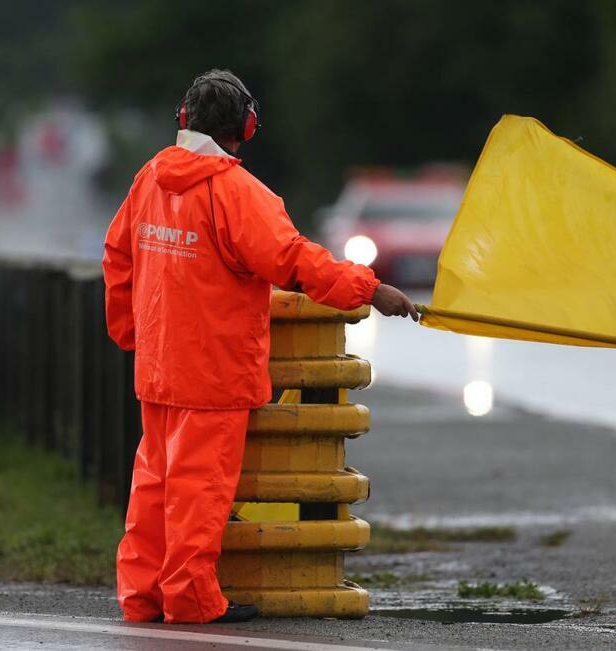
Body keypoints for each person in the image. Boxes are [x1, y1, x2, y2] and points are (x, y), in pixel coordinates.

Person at [103, 69, 417, 625]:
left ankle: (142, 596)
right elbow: (296, 262)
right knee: (198, 494)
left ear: (184, 119)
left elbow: (117, 257)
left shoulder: (149, 177)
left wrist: (132, 334)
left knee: (153, 486)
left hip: (158, 368)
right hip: (214, 372)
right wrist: (370, 289)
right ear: (245, 128)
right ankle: (192, 600)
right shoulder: (238, 193)